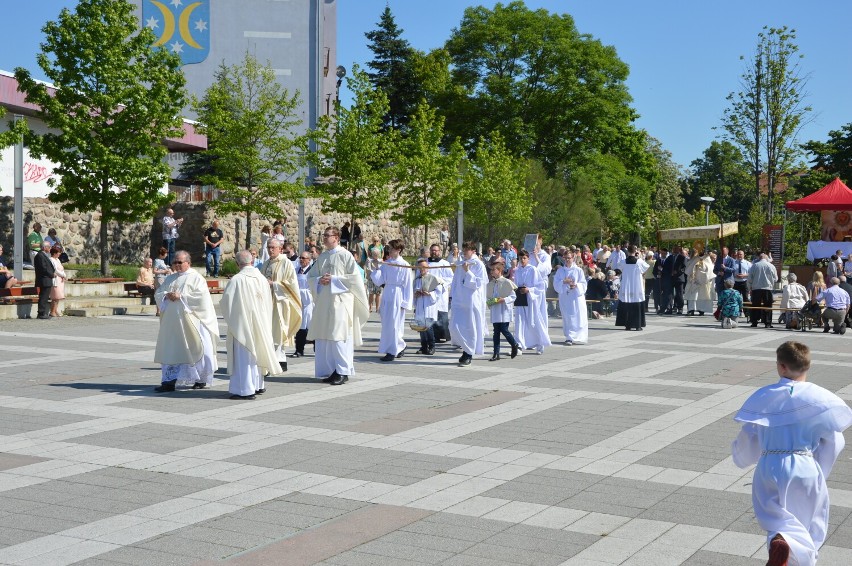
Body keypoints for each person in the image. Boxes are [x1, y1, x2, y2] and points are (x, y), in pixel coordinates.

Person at [732, 341, 852, 566]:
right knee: (809, 522)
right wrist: (820, 469)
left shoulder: (764, 397)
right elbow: (835, 440)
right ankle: (795, 552)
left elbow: (749, 436)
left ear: (781, 366)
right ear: (807, 365)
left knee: (776, 519)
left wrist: (741, 457)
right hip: (804, 464)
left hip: (770, 465)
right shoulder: (819, 399)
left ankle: (782, 542)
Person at [307, 226, 369, 385]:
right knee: (325, 338)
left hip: (341, 303)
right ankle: (330, 370)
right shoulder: (323, 257)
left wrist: (334, 280)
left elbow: (355, 280)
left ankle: (343, 371)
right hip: (325, 302)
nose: (324, 238)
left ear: (336, 237)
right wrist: (319, 280)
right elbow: (311, 277)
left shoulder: (345, 255)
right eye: (324, 235)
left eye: (327, 235)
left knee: (339, 337)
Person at [153, 251, 218, 392]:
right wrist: (166, 295)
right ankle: (168, 381)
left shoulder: (196, 278)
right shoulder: (170, 278)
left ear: (188, 262)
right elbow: (159, 293)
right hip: (172, 324)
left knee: (195, 349)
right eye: (175, 262)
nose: (176, 265)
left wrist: (181, 296)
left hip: (191, 322)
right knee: (171, 350)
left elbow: (201, 298)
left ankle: (200, 379)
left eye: (179, 262)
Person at [221, 250, 281, 400]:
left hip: (243, 325)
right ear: (252, 261)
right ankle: (258, 385)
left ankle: (245, 390)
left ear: (237, 263)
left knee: (244, 357)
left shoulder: (237, 280)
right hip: (261, 323)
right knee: (257, 353)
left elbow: (226, 303)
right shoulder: (261, 278)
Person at [262, 239, 302, 372]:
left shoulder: (286, 263)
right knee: (269, 331)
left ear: (280, 249)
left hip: (280, 303)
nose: (270, 250)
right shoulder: (266, 263)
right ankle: (275, 360)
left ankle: (279, 361)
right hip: (267, 302)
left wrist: (274, 284)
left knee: (278, 331)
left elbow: (292, 283)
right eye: (269, 247)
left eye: (273, 247)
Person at [370, 239, 413, 361]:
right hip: (388, 293)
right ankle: (399, 346)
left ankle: (392, 351)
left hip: (398, 294)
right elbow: (379, 281)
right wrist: (376, 269)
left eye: (392, 248)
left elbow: (408, 284)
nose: (390, 250)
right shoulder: (387, 263)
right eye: (389, 248)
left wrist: (405, 302)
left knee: (395, 324)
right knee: (387, 324)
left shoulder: (404, 264)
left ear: (399, 250)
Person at [450, 241, 487, 366]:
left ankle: (468, 353)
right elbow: (455, 282)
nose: (464, 252)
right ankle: (466, 349)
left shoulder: (478, 265)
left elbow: (478, 284)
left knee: (470, 327)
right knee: (454, 326)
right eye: (463, 249)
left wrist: (468, 272)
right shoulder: (461, 264)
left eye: (467, 250)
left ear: (473, 251)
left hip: (471, 301)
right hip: (459, 300)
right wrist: (452, 296)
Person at [513, 249, 550, 354]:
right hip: (520, 298)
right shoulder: (517, 271)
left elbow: (540, 285)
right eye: (520, 258)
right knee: (519, 322)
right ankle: (519, 345)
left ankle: (540, 344)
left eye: (524, 258)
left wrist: (529, 290)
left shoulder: (533, 269)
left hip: (530, 299)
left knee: (534, 321)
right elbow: (515, 284)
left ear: (528, 259)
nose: (522, 260)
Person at [486, 259, 519, 361]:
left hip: (504, 310)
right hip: (496, 310)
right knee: (496, 332)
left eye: (493, 270)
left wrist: (503, 299)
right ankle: (496, 353)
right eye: (491, 270)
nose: (491, 272)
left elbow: (513, 296)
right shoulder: (491, 284)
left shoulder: (506, 282)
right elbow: (488, 297)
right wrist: (491, 301)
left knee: (504, 330)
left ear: (499, 270)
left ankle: (514, 344)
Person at [554, 251, 588, 345]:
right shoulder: (560, 271)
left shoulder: (578, 270)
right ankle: (569, 337)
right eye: (566, 258)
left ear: (573, 258)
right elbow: (556, 283)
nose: (567, 260)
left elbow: (584, 284)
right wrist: (563, 281)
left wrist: (576, 285)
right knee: (567, 317)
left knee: (578, 317)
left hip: (576, 297)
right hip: (565, 297)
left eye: (569, 258)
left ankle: (578, 336)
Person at [615, 245, 649, 331]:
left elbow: (618, 269)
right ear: (636, 251)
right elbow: (645, 269)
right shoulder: (639, 261)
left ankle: (628, 325)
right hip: (636, 286)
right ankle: (638, 326)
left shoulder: (623, 262)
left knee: (627, 305)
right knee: (636, 305)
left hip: (627, 286)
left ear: (628, 252)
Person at [412, 258, 440, 356]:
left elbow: (438, 291)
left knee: (428, 327)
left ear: (428, 267)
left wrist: (430, 294)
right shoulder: (417, 279)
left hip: (429, 305)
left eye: (424, 267)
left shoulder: (433, 278)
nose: (422, 269)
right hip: (420, 305)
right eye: (420, 267)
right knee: (421, 328)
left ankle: (432, 346)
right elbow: (413, 291)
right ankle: (423, 347)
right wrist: (416, 294)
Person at [427, 244, 453, 343]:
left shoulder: (444, 263)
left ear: (439, 251)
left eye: (436, 250)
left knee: (441, 316)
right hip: (428, 293)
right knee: (430, 315)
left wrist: (439, 282)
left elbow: (450, 278)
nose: (434, 252)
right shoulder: (425, 263)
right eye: (432, 250)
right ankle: (433, 336)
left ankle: (444, 335)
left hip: (441, 293)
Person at [748, 253, 779, 328]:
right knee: (768, 306)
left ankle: (754, 322)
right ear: (766, 258)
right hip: (767, 288)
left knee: (755, 305)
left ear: (759, 258)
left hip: (756, 288)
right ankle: (767, 323)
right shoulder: (771, 266)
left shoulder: (755, 265)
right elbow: (776, 279)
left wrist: (750, 287)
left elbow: (750, 278)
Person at [293, 252, 314, 357]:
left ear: (309, 260)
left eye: (303, 258)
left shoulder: (312, 272)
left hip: (309, 303)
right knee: (299, 327)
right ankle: (299, 350)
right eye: (300, 258)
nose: (301, 260)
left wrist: (299, 291)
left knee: (311, 327)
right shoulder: (296, 270)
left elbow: (312, 288)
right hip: (298, 302)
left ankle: (317, 349)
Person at [685, 246, 714, 316]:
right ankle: (691, 310)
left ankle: (701, 310)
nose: (700, 251)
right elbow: (688, 267)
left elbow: (710, 268)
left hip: (703, 281)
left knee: (702, 296)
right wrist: (695, 266)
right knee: (693, 296)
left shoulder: (707, 258)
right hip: (694, 281)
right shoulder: (695, 258)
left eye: (701, 250)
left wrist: (702, 266)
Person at [33, 240, 55, 319]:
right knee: (43, 296)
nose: (50, 248)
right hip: (44, 279)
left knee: (45, 296)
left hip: (47, 280)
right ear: (44, 247)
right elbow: (43, 268)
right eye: (49, 247)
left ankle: (43, 312)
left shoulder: (44, 255)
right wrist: (51, 274)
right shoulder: (40, 255)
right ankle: (41, 313)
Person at [48, 245, 67, 317]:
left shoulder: (58, 260)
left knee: (58, 297)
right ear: (54, 253)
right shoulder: (51, 260)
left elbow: (61, 268)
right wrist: (63, 275)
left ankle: (55, 310)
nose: (59, 254)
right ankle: (52, 311)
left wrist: (64, 274)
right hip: (56, 279)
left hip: (60, 280)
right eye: (58, 252)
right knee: (55, 296)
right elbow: (55, 270)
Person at [365, 247, 383, 313]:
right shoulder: (369, 260)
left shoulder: (380, 260)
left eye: (377, 254)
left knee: (378, 294)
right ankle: (370, 307)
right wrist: (375, 271)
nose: (376, 255)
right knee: (371, 293)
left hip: (378, 279)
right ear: (372, 254)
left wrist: (378, 264)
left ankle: (377, 307)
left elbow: (381, 269)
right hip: (371, 279)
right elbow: (368, 269)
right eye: (374, 254)